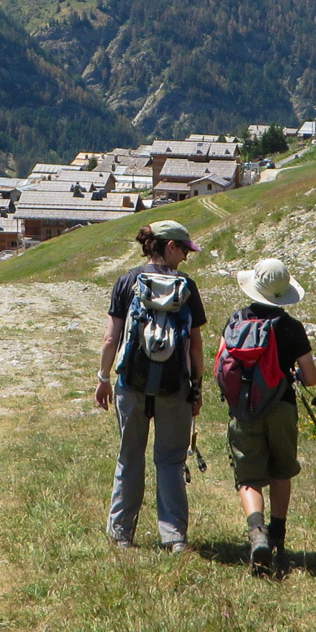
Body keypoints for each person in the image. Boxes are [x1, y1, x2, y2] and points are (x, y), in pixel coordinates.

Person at [95, 220, 207, 551]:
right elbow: (196, 346)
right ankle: (174, 538)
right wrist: (196, 389)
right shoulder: (187, 286)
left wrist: (103, 379)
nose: (186, 256)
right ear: (169, 246)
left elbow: (110, 337)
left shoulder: (128, 281)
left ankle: (121, 535)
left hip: (132, 384)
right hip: (175, 388)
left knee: (130, 457)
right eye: (184, 249)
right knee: (171, 460)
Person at [223, 257, 316, 573]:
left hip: (243, 409)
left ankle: (256, 533)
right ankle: (277, 536)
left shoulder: (236, 321)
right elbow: (312, 377)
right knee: (281, 471)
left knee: (249, 476)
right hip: (282, 406)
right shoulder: (291, 327)